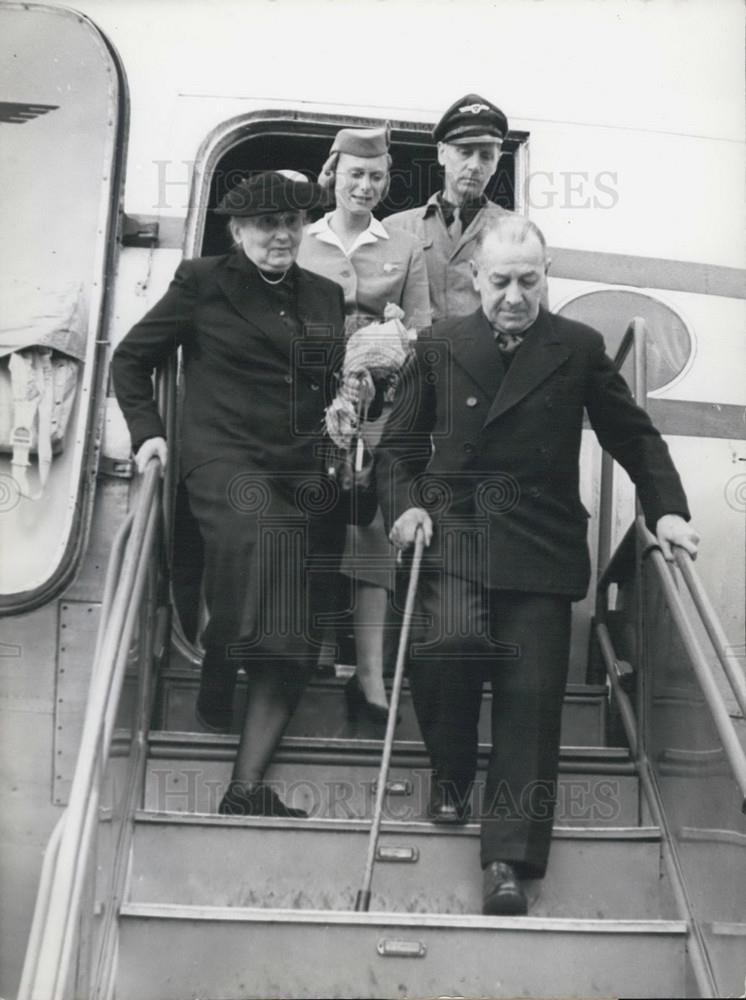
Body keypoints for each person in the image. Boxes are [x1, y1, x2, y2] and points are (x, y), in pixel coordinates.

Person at [377, 214, 700, 914]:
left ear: (546, 274)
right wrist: (406, 506)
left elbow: (634, 439)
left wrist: (667, 508)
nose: (515, 296)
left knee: (530, 705)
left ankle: (508, 863)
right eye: (500, 282)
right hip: (454, 533)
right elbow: (397, 451)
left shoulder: (578, 348)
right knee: (446, 649)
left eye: (529, 280)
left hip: (540, 545)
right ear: (475, 280)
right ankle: (452, 770)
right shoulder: (437, 346)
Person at [112, 171, 352, 818]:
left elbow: (334, 382)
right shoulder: (202, 281)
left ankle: (245, 788)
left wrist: (354, 399)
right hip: (224, 458)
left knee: (295, 623)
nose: (281, 235)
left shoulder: (328, 295)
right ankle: (219, 671)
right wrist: (149, 436)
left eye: (292, 222)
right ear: (238, 231)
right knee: (255, 540)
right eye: (266, 224)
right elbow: (130, 360)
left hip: (299, 469)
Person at [297, 126, 430, 723]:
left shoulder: (404, 247)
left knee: (370, 522)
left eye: (377, 177)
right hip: (309, 403)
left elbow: (423, 331)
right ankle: (318, 651)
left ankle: (371, 678)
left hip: (381, 401)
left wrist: (394, 334)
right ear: (334, 174)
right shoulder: (302, 241)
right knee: (314, 512)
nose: (366, 186)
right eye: (355, 174)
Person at [385, 93, 511, 322]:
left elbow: (534, 321)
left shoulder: (515, 231)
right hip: (420, 355)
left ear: (497, 162)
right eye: (464, 153)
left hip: (486, 356)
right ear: (442, 153)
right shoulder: (396, 228)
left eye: (486, 156)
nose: (474, 166)